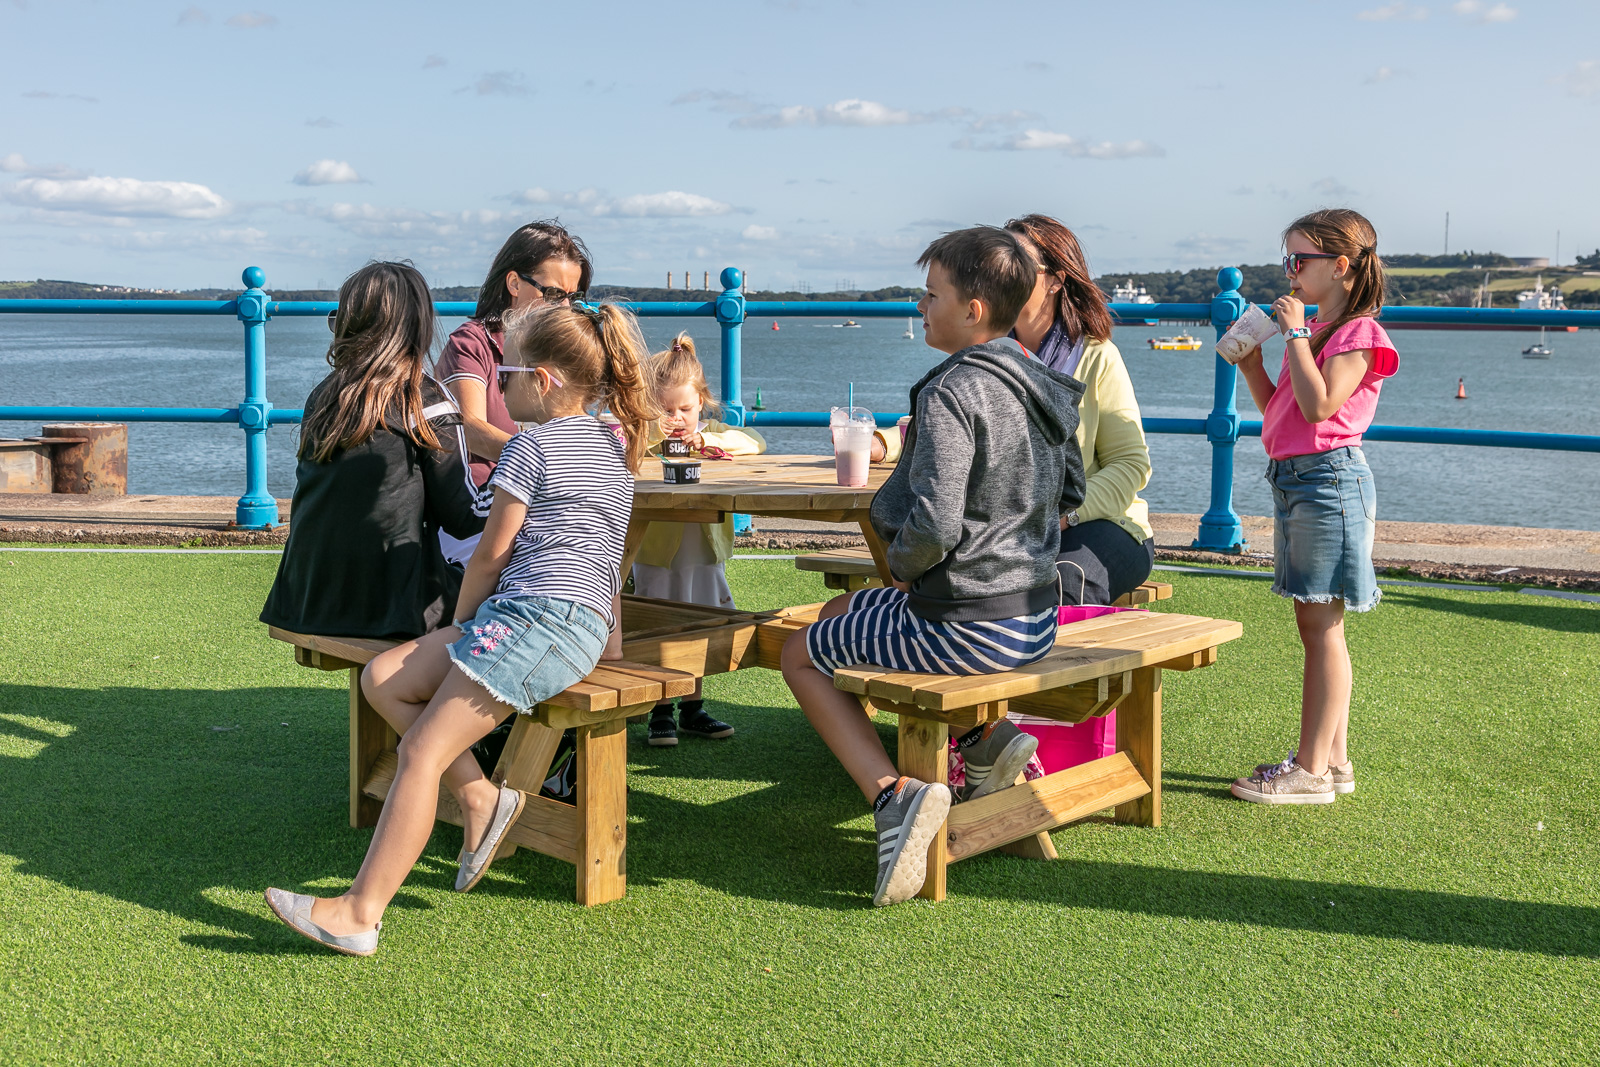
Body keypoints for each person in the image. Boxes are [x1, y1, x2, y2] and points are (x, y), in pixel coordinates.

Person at [264, 300, 656, 955]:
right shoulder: (614, 448)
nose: (497, 385)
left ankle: (360, 912)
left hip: (535, 623)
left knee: (420, 753)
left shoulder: (531, 447)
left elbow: (490, 558)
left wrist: (461, 624)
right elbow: (605, 558)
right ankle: (480, 796)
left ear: (546, 380)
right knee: (384, 677)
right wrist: (602, 640)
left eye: (508, 373)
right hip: (560, 621)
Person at [780, 227, 1086, 907]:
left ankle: (893, 795)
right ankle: (985, 738)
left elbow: (938, 522)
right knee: (840, 614)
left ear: (972, 309)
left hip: (965, 626)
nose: (920, 306)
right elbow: (1072, 493)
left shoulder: (952, 392)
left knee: (799, 651)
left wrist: (899, 566)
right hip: (1034, 617)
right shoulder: (1042, 384)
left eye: (931, 294)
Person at [1230, 208, 1397, 805]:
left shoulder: (1360, 334)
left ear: (1342, 266)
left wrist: (1297, 333)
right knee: (1317, 624)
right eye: (1288, 261)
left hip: (1330, 482)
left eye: (1300, 261)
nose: (1291, 273)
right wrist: (1254, 362)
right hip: (1297, 479)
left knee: (1321, 626)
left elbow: (1323, 406)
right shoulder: (1320, 332)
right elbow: (1287, 407)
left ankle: (1311, 772)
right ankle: (1335, 761)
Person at [259, 262, 489, 640]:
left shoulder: (327, 396)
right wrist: (518, 467)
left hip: (303, 600)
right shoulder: (425, 401)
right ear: (419, 326)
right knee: (507, 592)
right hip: (392, 608)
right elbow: (463, 518)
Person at [1005, 214, 1155, 606]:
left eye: (1016, 262)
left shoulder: (1097, 356)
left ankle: (1075, 667)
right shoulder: (986, 354)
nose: (1002, 272)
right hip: (1013, 525)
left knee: (1058, 585)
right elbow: (939, 425)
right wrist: (881, 444)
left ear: (1055, 280)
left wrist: (1066, 516)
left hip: (1102, 523)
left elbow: (1130, 465)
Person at [633, 332, 767, 747]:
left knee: (701, 628)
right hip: (657, 555)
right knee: (659, 631)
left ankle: (693, 707)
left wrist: (705, 440)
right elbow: (626, 443)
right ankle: (659, 711)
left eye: (686, 408)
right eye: (665, 409)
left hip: (706, 552)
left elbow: (755, 442)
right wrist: (653, 431)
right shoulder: (645, 440)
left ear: (702, 402)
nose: (676, 417)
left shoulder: (711, 434)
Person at [434, 221, 594, 489]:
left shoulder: (560, 348)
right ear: (514, 283)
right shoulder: (471, 343)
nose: (565, 307)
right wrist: (550, 464)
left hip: (539, 493)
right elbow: (468, 429)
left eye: (572, 297)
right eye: (554, 294)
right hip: (483, 499)